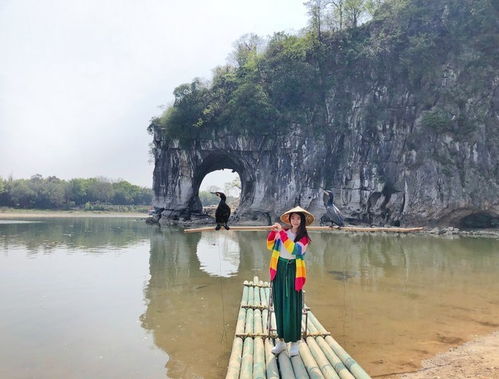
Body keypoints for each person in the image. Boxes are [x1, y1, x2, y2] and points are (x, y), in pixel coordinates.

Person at [266, 206, 314, 357]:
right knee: (279, 305)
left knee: (293, 306)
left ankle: (294, 342)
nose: (295, 221)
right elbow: (270, 246)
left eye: (298, 218)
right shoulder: (283, 233)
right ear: (289, 219)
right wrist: (273, 233)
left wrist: (281, 233)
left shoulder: (304, 238)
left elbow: (294, 250)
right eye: (293, 218)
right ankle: (281, 341)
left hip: (294, 271)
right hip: (279, 269)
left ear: (302, 221)